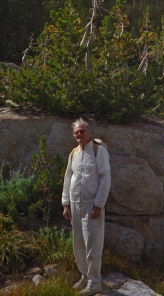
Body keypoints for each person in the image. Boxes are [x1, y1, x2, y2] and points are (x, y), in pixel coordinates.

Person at [62, 118, 111, 295]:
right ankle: (84, 276)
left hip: (92, 205)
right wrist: (65, 203)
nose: (79, 134)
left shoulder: (99, 151)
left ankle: (95, 282)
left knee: (93, 245)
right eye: (76, 132)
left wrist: (99, 204)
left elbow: (105, 178)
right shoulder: (74, 153)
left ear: (89, 133)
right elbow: (68, 177)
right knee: (78, 244)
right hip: (75, 204)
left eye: (82, 131)